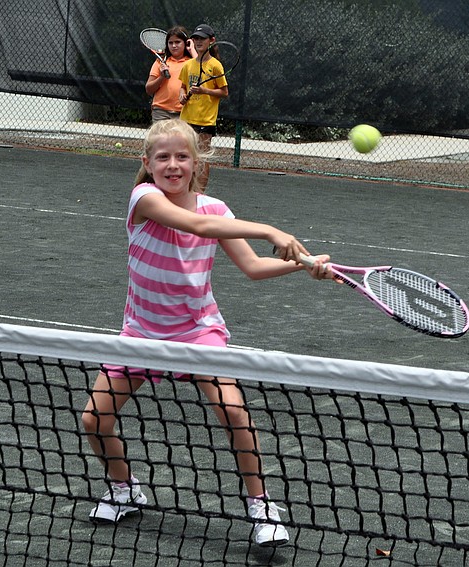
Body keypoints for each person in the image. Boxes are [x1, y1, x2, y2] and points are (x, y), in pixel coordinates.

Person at [81, 119, 331, 547]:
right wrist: (270, 230)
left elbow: (253, 267)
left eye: (182, 157)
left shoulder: (217, 209)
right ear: (148, 163)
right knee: (94, 418)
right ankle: (124, 490)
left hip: (198, 331)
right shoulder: (144, 198)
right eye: (163, 157)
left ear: (196, 163)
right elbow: (196, 227)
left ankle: (262, 507)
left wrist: (305, 265)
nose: (173, 165)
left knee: (234, 412)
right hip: (141, 333)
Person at [178, 24, 228, 191]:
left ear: (211, 41)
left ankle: (199, 193)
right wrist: (182, 95)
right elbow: (182, 86)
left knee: (202, 157)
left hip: (205, 120)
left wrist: (204, 90)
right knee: (184, 156)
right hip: (186, 119)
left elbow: (224, 92)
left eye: (202, 39)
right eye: (196, 39)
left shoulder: (215, 66)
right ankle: (184, 190)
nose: (198, 42)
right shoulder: (188, 65)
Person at [145, 26, 195, 122]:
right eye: (170, 43)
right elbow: (149, 89)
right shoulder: (160, 62)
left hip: (184, 112)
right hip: (160, 111)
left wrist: (192, 50)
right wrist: (161, 77)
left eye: (177, 42)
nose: (174, 46)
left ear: (186, 43)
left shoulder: (192, 62)